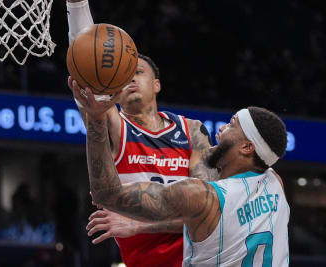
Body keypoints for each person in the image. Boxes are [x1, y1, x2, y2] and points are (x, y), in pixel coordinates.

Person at [66, 1, 218, 266]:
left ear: (157, 84)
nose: (131, 79)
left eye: (137, 72)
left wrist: (138, 224)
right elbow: (87, 52)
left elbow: (209, 215)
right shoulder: (115, 127)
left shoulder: (192, 130)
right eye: (123, 76)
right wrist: (77, 5)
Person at [72, 83, 289, 266]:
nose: (221, 129)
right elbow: (269, 149)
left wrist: (96, 120)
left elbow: (106, 194)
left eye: (231, 125)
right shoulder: (274, 183)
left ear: (247, 147)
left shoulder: (201, 196)